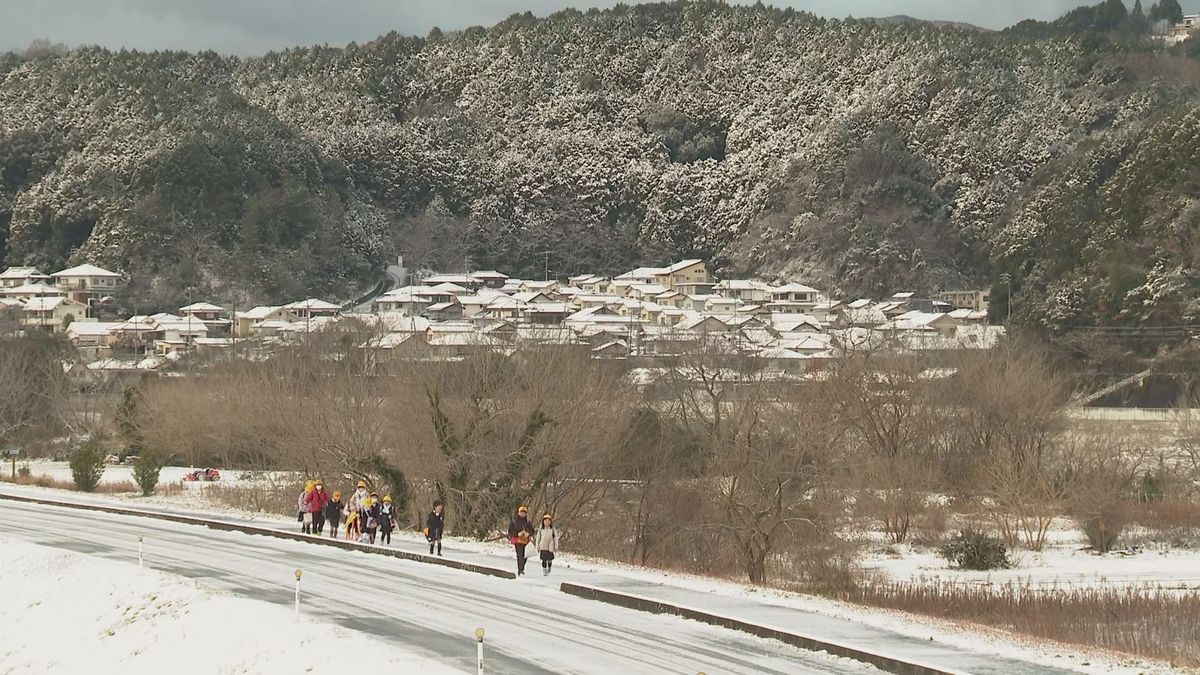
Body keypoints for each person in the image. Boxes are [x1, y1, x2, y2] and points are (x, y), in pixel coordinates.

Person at [507, 505, 535, 576]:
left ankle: (522, 568)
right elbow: (510, 531)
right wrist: (517, 534)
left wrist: (528, 533)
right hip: (517, 541)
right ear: (518, 513)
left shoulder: (528, 522)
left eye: (524, 512)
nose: (523, 513)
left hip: (525, 541)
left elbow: (532, 531)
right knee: (520, 555)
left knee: (525, 556)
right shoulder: (514, 521)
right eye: (521, 512)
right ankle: (520, 570)